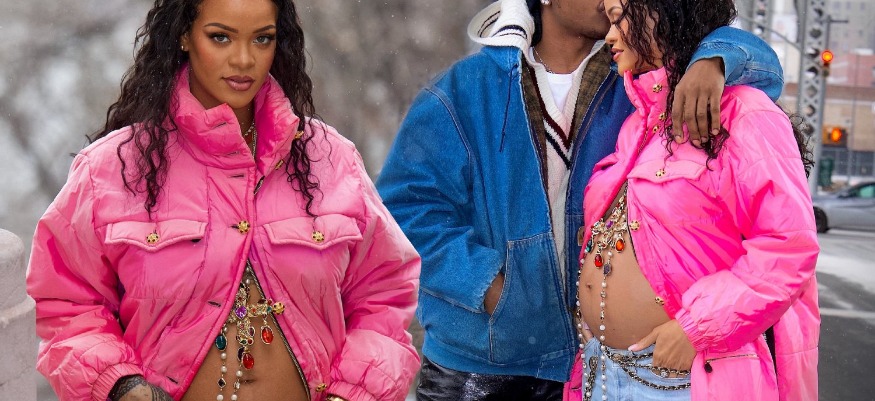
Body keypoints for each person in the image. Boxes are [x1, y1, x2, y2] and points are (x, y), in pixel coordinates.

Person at [375, 0, 785, 399]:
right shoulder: (465, 89)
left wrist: (713, 61)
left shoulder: (635, 75)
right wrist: (490, 286)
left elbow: (762, 66)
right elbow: (404, 208)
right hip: (479, 363)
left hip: (595, 367)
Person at [26, 1, 420, 401]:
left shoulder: (329, 159)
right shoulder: (112, 168)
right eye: (220, 37)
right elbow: (66, 304)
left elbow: (384, 297)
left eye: (262, 39)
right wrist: (121, 385)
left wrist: (352, 394)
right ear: (184, 35)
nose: (244, 60)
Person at [567, 0, 820, 399]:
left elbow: (788, 247)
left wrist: (697, 328)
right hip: (601, 373)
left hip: (682, 379)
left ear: (661, 11)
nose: (609, 36)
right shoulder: (638, 122)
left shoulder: (744, 113)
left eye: (617, 18)